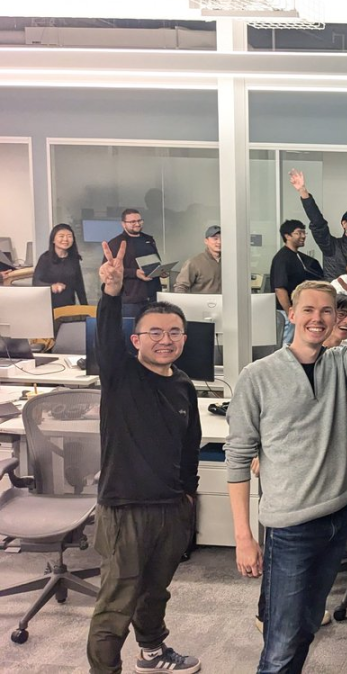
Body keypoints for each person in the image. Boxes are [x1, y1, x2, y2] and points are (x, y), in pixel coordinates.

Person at [225, 275, 347, 673]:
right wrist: (244, 537)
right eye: (309, 310)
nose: (318, 318)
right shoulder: (257, 375)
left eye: (326, 311)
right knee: (281, 642)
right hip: (291, 526)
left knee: (307, 627)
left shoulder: (337, 363)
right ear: (292, 314)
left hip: (338, 515)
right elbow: (238, 458)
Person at [87, 241, 201, 674]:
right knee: (117, 603)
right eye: (155, 332)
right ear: (136, 339)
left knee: (155, 592)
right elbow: (106, 334)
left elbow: (190, 446)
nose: (165, 340)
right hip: (125, 509)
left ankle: (152, 653)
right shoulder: (119, 374)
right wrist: (112, 293)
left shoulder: (183, 385)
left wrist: (187, 497)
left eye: (174, 332)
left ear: (184, 339)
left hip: (170, 509)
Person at [288, 168, 347, 281]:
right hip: (334, 291)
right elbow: (318, 224)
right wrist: (303, 191)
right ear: (344, 223)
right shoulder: (331, 245)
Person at [269, 219, 323, 348]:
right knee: (286, 346)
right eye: (298, 233)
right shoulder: (282, 258)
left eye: (304, 233)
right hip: (286, 312)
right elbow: (280, 289)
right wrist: (290, 312)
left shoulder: (298, 256)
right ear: (287, 236)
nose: (303, 236)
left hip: (296, 310)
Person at [105, 208, 162, 318]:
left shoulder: (149, 239)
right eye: (132, 222)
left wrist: (160, 271)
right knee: (131, 327)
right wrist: (135, 273)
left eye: (139, 220)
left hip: (153, 297)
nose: (137, 224)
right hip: (131, 299)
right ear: (123, 224)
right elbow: (110, 271)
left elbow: (156, 261)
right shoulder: (116, 243)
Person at [32, 223, 87, 308]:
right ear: (53, 240)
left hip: (68, 306)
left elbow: (79, 286)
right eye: (61, 236)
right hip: (47, 306)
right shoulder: (45, 258)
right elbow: (36, 282)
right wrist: (51, 287)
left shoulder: (74, 259)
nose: (65, 239)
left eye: (69, 236)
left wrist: (85, 308)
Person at [172, 226, 222, 294]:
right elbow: (180, 287)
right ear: (206, 241)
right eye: (215, 239)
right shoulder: (194, 263)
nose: (219, 242)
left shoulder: (231, 262)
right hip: (202, 301)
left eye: (222, 238)